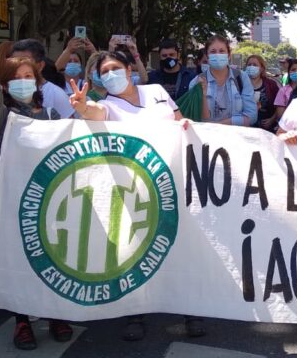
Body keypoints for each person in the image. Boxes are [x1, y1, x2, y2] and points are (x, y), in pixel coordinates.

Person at [68, 51, 203, 340]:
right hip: (133, 186)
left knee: (181, 245)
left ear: (130, 70)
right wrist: (82, 107)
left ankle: (189, 310)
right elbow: (94, 113)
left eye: (116, 68)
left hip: (173, 180)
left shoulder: (155, 91)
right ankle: (135, 313)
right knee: (135, 248)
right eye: (104, 72)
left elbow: (180, 119)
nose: (111, 75)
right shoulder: (106, 105)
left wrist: (185, 125)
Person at [0, 49, 73, 350]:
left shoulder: (53, 115)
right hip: (11, 199)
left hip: (49, 200)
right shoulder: (4, 116)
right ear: (6, 85)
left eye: (28, 77)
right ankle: (22, 322)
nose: (23, 82)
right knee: (16, 260)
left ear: (38, 82)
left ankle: (55, 315)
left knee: (53, 257)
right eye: (16, 79)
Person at [189, 36, 256, 126]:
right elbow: (195, 118)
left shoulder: (241, 78)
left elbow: (252, 116)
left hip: (236, 136)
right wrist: (203, 96)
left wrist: (220, 125)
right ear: (207, 55)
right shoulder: (196, 82)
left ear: (228, 55)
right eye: (213, 52)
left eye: (222, 51)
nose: (217, 55)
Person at [10, 39, 75, 118]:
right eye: (15, 62)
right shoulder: (7, 91)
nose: (19, 66)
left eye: (26, 62)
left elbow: (69, 126)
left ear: (40, 65)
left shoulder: (57, 95)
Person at [245, 55, 281, 132]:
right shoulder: (240, 84)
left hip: (266, 129)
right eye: (249, 65)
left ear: (261, 68)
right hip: (246, 128)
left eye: (255, 65)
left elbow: (280, 105)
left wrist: (272, 119)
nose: (251, 67)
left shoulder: (271, 85)